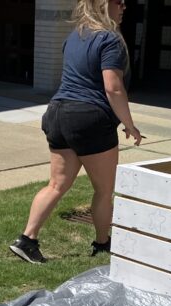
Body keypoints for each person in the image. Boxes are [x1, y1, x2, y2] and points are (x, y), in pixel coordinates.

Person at [9, 0, 142, 265]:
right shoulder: (110, 40)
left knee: (57, 184)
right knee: (104, 191)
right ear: (104, 5)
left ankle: (27, 240)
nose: (124, 6)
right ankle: (103, 242)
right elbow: (113, 87)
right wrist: (129, 124)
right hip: (89, 117)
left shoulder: (75, 36)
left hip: (57, 113)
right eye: (119, 1)